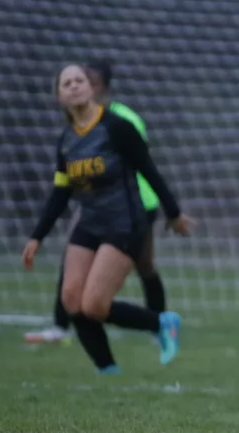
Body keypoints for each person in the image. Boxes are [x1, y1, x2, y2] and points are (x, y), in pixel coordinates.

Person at [22, 63, 191, 374]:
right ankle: (108, 371)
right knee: (72, 300)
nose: (73, 86)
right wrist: (37, 237)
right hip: (90, 223)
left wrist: (174, 213)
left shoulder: (116, 127)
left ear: (91, 88)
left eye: (79, 80)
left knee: (94, 305)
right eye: (66, 83)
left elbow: (148, 170)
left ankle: (162, 322)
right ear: (59, 96)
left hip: (124, 223)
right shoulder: (66, 141)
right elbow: (61, 193)